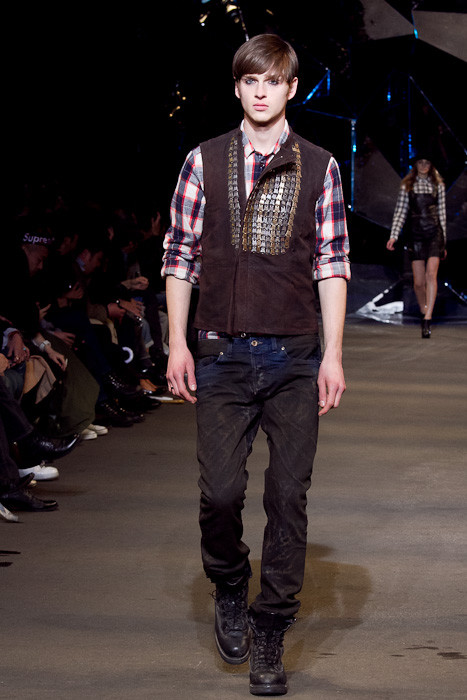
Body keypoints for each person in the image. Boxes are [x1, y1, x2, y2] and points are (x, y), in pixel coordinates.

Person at [162, 34, 350, 696]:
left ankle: (270, 627)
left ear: (292, 88)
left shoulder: (320, 165)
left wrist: (332, 354)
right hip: (220, 352)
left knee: (287, 497)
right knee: (219, 493)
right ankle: (228, 582)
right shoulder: (203, 160)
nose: (262, 91)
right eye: (251, 80)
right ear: (237, 87)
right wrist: (177, 342)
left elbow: (331, 262)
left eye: (273, 80)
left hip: (294, 354)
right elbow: (180, 254)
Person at [386, 154, 446, 338]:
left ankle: (427, 318)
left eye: (427, 162)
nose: (424, 165)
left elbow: (442, 214)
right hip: (415, 234)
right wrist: (394, 236)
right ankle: (424, 310)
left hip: (434, 234)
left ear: (431, 164)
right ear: (416, 164)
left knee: (431, 275)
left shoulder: (438, 185)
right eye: (420, 162)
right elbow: (400, 211)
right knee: (418, 282)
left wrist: (444, 241)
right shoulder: (408, 185)